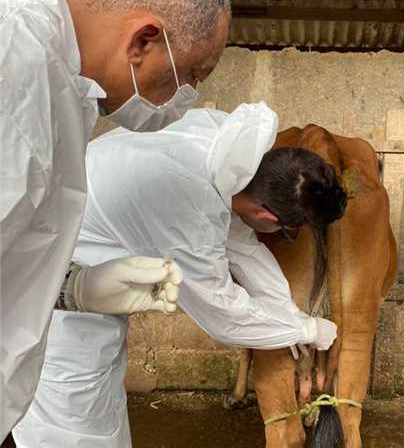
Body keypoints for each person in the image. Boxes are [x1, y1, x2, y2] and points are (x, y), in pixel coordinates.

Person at [12, 102, 345, 447]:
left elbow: (244, 247)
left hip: (91, 265)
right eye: (290, 230)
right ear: (269, 216)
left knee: (103, 404)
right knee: (74, 425)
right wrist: (304, 329)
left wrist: (291, 316)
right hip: (59, 292)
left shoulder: (227, 149)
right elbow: (223, 314)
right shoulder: (190, 207)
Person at [0, 0, 231, 440]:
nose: (186, 98)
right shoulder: (13, 66)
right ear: (143, 41)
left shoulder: (65, 81)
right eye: (193, 75)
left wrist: (73, 288)